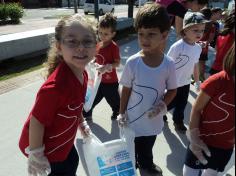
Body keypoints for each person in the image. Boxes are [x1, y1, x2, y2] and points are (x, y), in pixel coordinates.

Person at [18, 14, 97, 176]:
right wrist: (36, 154)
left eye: (87, 41)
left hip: (64, 144)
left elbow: (76, 105)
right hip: (48, 151)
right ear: (59, 47)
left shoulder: (83, 75)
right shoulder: (54, 88)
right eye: (72, 41)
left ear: (96, 46)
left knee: (72, 161)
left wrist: (81, 123)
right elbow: (37, 121)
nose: (81, 47)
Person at [118, 3, 177, 174]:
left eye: (151, 34)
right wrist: (121, 112)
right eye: (141, 34)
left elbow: (173, 90)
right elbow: (126, 89)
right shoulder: (132, 62)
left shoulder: (169, 64)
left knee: (148, 145)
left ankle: (146, 164)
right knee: (132, 146)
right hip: (133, 118)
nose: (145, 39)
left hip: (153, 119)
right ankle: (133, 163)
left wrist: (162, 105)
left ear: (164, 35)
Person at [183, 43, 235, 176]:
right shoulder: (218, 80)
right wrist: (194, 136)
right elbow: (196, 108)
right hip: (202, 138)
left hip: (225, 146)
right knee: (190, 172)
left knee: (211, 173)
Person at [164, 11, 208, 132]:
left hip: (185, 82)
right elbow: (166, 64)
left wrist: (197, 81)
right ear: (185, 30)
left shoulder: (198, 48)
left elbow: (195, 65)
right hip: (172, 83)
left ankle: (178, 122)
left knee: (182, 105)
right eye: (195, 30)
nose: (199, 33)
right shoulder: (178, 46)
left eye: (202, 30)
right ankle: (161, 113)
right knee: (169, 103)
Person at [83, 12, 121, 121]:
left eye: (106, 34)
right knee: (92, 99)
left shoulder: (114, 47)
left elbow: (117, 63)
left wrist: (107, 67)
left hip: (110, 82)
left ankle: (117, 111)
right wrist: (92, 62)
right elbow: (95, 57)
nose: (102, 36)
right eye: (100, 32)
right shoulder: (98, 45)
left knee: (114, 101)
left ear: (113, 34)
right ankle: (87, 113)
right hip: (98, 80)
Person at [210, 9, 235, 75]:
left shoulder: (221, 35)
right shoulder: (232, 37)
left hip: (215, 69)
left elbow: (216, 50)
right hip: (226, 72)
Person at [197, 7, 215, 81]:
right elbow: (211, 39)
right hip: (204, 46)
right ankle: (200, 77)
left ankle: (194, 76)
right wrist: (205, 43)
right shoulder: (212, 26)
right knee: (202, 62)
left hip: (195, 44)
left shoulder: (198, 23)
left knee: (194, 61)